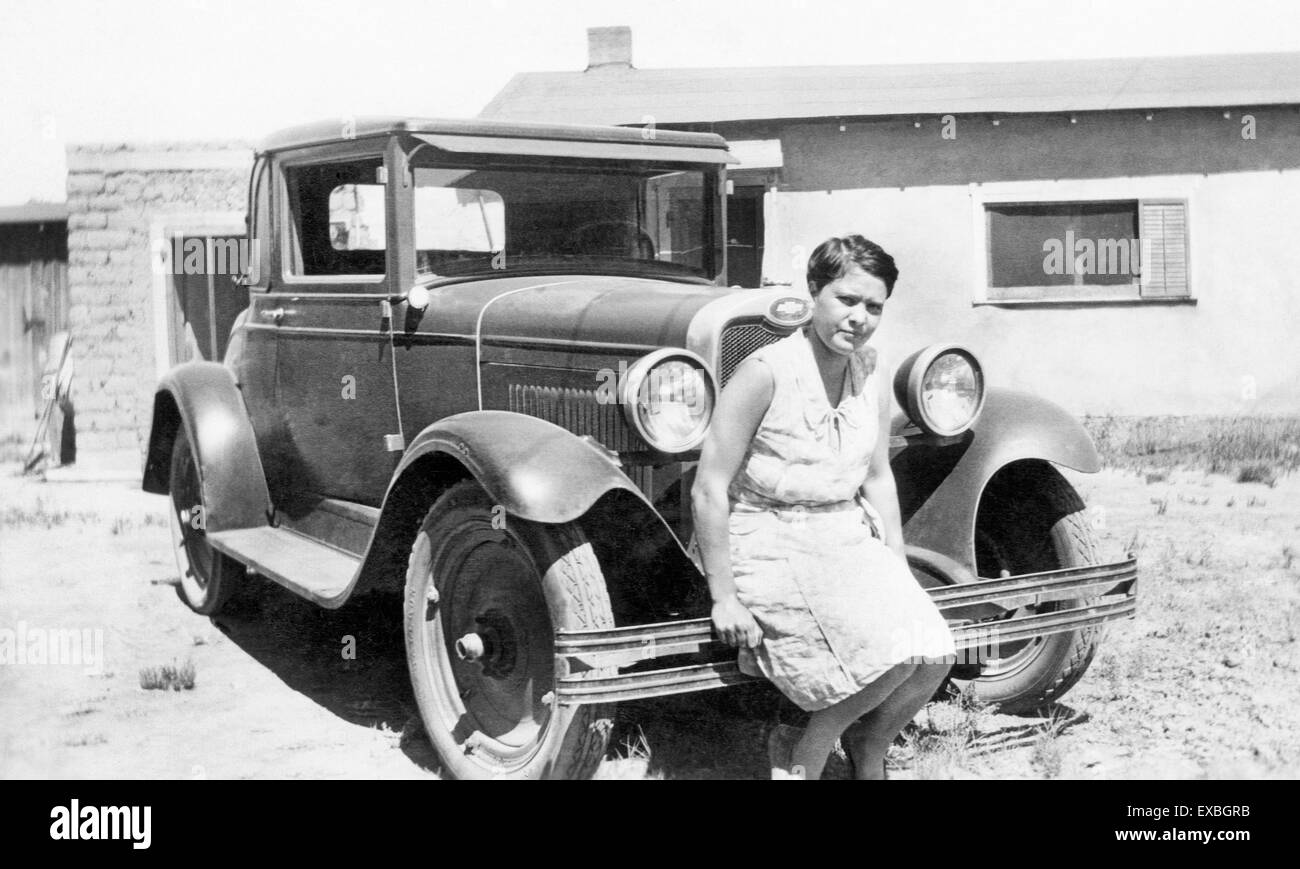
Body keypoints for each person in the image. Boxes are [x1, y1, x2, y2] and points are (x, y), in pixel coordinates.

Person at [691, 234, 956, 780]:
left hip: (843, 533)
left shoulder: (870, 371)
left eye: (874, 306)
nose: (859, 317)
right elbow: (708, 489)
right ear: (814, 293)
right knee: (894, 657)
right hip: (769, 539)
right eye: (847, 300)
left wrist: (897, 563)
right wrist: (724, 598)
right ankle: (802, 753)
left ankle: (868, 745)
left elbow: (878, 476)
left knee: (935, 651)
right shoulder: (765, 371)